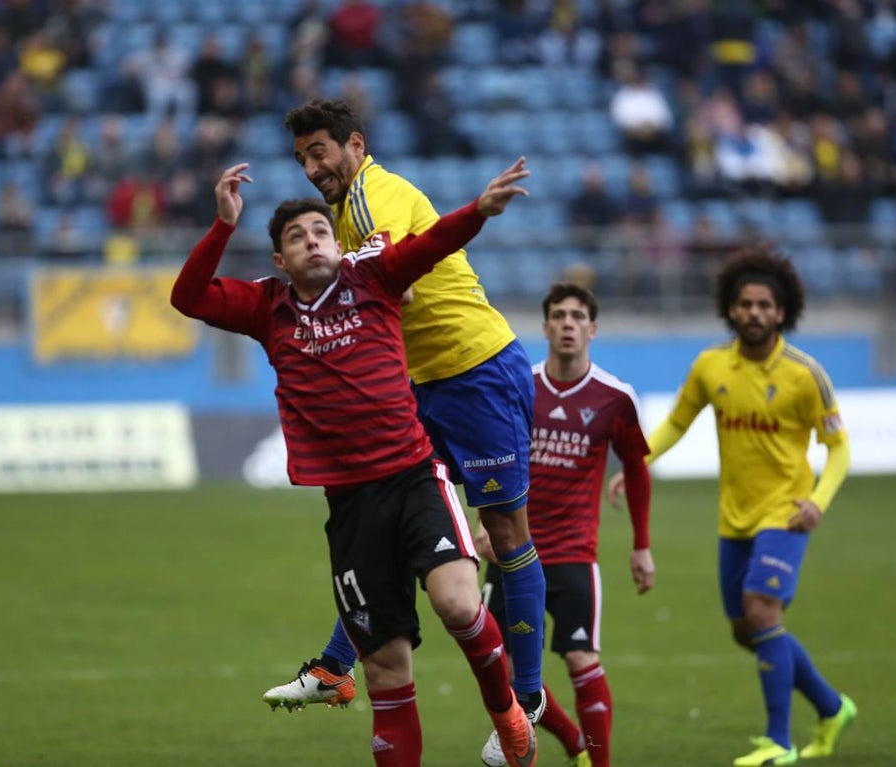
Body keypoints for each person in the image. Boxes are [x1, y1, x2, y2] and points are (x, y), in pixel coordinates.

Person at [170, 159, 539, 767]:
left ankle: (508, 714)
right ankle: (342, 675)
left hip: (416, 479)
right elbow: (187, 297)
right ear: (280, 262)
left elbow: (431, 243)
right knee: (386, 668)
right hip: (350, 506)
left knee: (456, 604)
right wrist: (221, 226)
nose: (313, 240)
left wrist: (478, 210)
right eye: (296, 237)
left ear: (337, 247)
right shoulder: (268, 307)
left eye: (321, 231)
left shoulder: (374, 278)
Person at [263, 98, 550, 738]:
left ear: (356, 146)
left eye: (321, 152)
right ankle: (338, 666)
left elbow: (400, 282)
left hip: (474, 369)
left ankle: (525, 701)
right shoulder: (335, 213)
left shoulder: (373, 196)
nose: (312, 168)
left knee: (506, 534)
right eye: (302, 157)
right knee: (394, 521)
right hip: (422, 384)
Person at [606, 246, 857, 766]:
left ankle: (779, 741)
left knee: (761, 610)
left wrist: (817, 501)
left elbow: (839, 448)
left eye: (765, 304)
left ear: (782, 311)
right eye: (745, 304)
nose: (755, 313)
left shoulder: (805, 375)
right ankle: (832, 707)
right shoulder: (710, 365)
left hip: (785, 514)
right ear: (731, 308)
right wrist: (637, 461)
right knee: (749, 631)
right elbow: (677, 421)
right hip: (733, 518)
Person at [481, 283, 655, 767]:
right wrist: (484, 521)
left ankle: (598, 761)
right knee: (503, 670)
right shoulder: (520, 384)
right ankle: (573, 744)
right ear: (545, 327)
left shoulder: (615, 397)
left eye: (577, 316)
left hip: (575, 555)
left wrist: (641, 545)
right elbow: (492, 456)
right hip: (514, 552)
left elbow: (636, 469)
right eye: (558, 315)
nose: (568, 324)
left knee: (581, 662)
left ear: (592, 329)